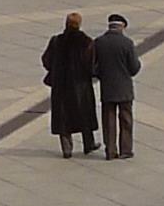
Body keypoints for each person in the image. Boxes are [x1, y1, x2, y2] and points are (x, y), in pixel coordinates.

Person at [42, 12, 99, 159]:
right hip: (81, 86)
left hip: (61, 86)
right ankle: (88, 144)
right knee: (84, 114)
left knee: (63, 117)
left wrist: (55, 70)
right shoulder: (86, 42)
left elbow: (46, 60)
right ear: (79, 24)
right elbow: (92, 64)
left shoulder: (56, 41)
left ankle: (67, 149)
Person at [94, 12, 144, 159]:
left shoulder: (98, 42)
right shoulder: (127, 43)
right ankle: (126, 150)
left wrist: (101, 75)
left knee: (108, 120)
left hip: (107, 87)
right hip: (124, 88)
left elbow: (93, 66)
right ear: (122, 27)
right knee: (126, 119)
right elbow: (134, 67)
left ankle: (110, 150)